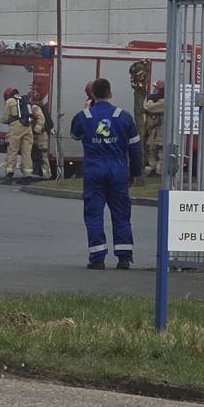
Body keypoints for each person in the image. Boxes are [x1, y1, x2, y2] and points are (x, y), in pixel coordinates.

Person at [71, 77, 141, 269]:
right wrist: (134, 172)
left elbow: (75, 134)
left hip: (94, 170)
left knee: (94, 214)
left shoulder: (83, 116)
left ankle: (97, 258)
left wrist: (87, 109)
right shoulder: (124, 116)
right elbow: (135, 148)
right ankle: (124, 258)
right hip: (118, 170)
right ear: (110, 93)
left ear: (92, 94)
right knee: (121, 213)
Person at [1, 87, 31, 183]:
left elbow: (5, 118)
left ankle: (9, 175)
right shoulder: (24, 100)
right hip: (28, 127)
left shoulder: (10, 101)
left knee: (12, 151)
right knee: (26, 153)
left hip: (16, 127)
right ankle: (27, 176)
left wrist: (1, 119)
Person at [140, 80, 166, 177]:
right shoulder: (160, 101)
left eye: (156, 89)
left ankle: (159, 172)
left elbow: (149, 107)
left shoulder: (164, 102)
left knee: (161, 153)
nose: (154, 91)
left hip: (163, 133)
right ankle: (153, 170)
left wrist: (150, 99)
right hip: (156, 133)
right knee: (152, 151)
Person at [27, 89, 49, 180]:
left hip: (40, 136)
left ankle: (46, 175)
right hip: (37, 135)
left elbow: (41, 119)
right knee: (35, 155)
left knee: (43, 156)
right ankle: (42, 174)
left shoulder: (35, 107)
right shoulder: (35, 106)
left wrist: (36, 130)